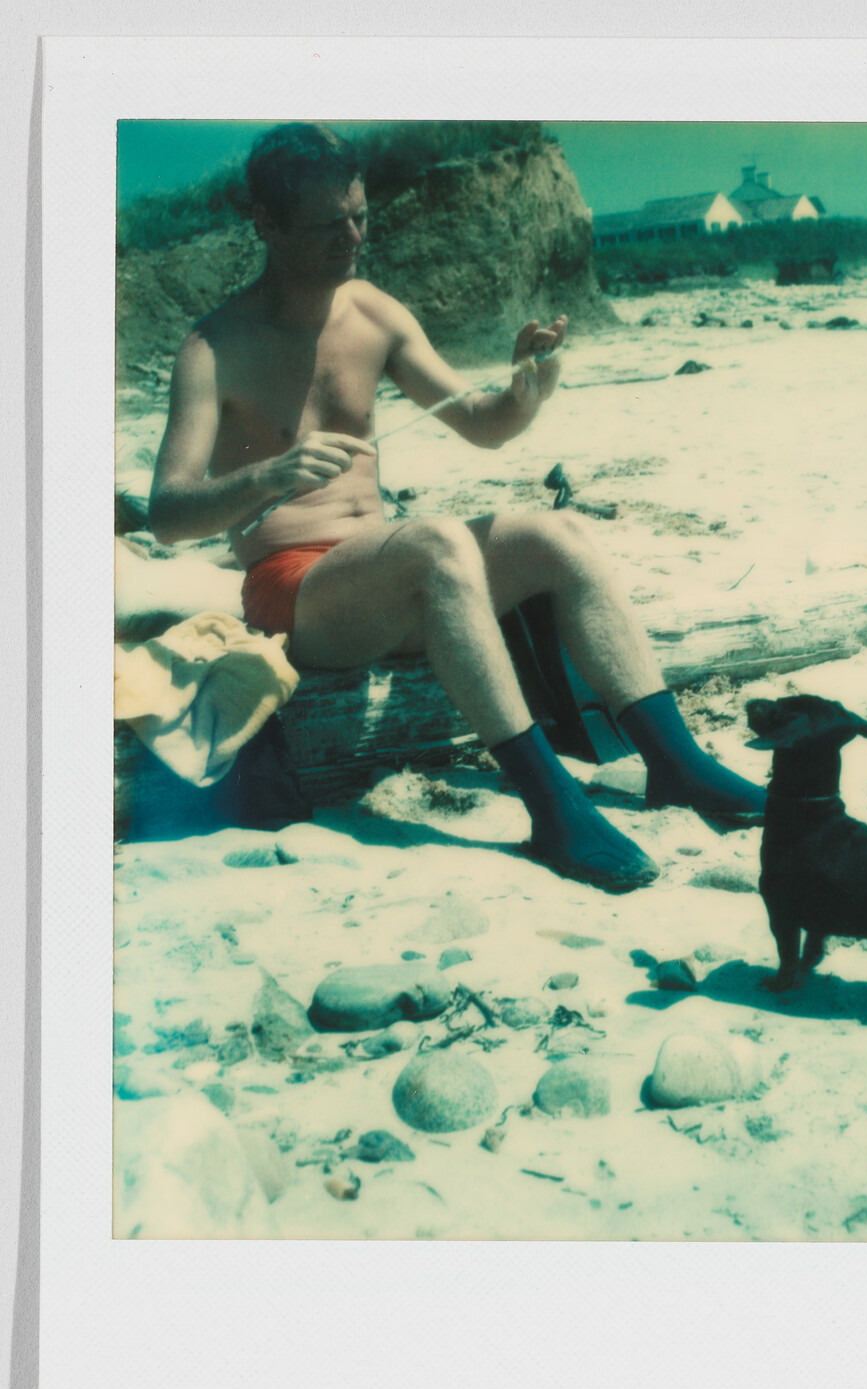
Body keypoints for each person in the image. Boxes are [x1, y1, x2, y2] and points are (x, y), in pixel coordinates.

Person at [148, 123, 764, 892]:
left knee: (558, 532)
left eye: (360, 216)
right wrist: (267, 477)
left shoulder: (372, 311)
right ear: (266, 224)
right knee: (436, 541)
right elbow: (168, 513)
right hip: (293, 590)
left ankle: (678, 765)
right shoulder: (214, 347)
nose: (351, 237)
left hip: (389, 575)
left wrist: (522, 393)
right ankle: (552, 809)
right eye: (326, 224)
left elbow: (481, 426)